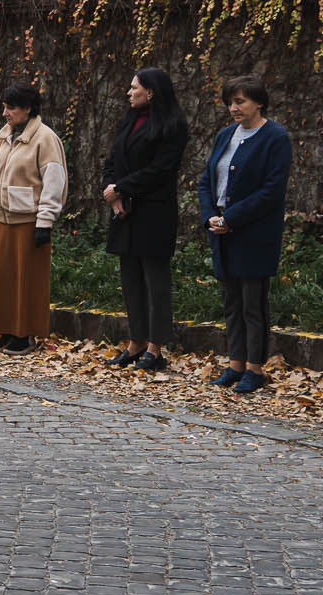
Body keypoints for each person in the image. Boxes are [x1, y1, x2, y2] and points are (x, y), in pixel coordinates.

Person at [196, 77, 294, 394]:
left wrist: (231, 218)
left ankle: (255, 368)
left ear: (259, 102)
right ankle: (235, 364)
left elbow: (272, 190)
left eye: (241, 101)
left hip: (254, 233)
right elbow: (206, 181)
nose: (234, 108)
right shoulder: (225, 135)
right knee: (231, 303)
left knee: (253, 304)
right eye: (230, 102)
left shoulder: (275, 138)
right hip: (221, 231)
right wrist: (210, 214)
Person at [103, 68, 189, 370]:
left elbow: (161, 169)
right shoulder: (129, 120)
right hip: (125, 211)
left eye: (134, 88)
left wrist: (122, 189)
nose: (129, 93)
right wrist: (112, 191)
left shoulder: (172, 125)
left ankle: (155, 347)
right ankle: (136, 342)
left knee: (155, 281)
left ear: (151, 92)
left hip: (153, 212)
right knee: (130, 280)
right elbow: (113, 159)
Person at [0, 83, 66, 353]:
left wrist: (45, 221)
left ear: (28, 109)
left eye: (11, 107)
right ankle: (5, 331)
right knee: (1, 277)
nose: (5, 113)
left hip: (29, 220)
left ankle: (24, 334)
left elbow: (54, 181)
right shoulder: (4, 136)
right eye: (4, 106)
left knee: (27, 279)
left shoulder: (45, 138)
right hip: (2, 217)